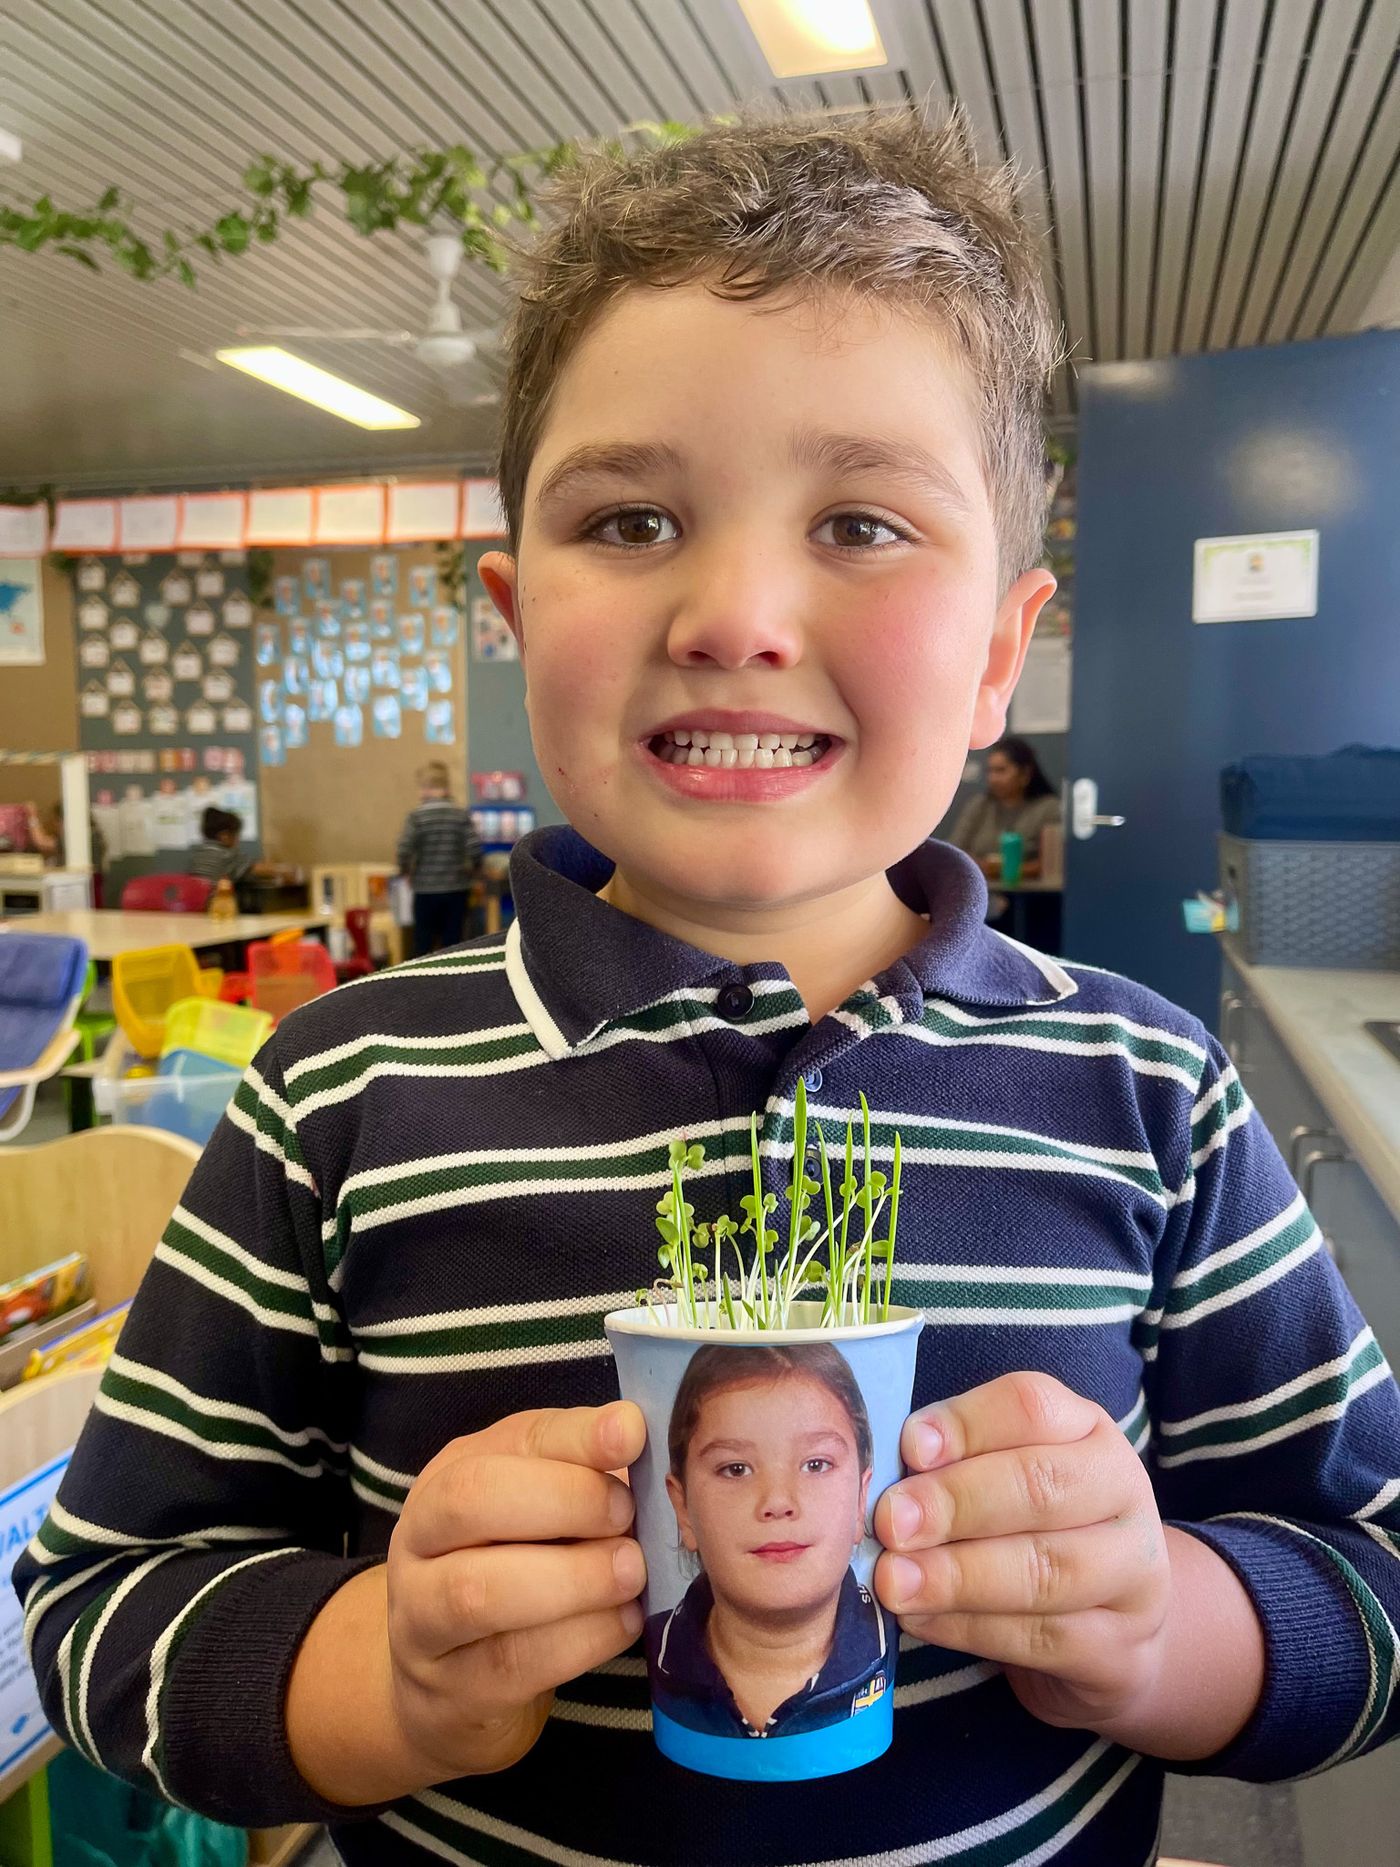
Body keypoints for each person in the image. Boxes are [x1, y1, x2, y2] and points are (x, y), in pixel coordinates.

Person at [18, 109, 1399, 1867]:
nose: (735, 612)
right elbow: (100, 1606)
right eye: (635, 516)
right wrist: (385, 1670)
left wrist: (1165, 1626)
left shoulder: (1152, 1088)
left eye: (863, 521)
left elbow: (1371, 1569)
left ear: (1000, 650)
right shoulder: (336, 1097)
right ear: (516, 615)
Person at [647, 1345, 888, 1741]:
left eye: (816, 1464)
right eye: (735, 1469)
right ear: (683, 1509)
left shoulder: (904, 1629)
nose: (777, 1502)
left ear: (861, 1499)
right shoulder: (656, 1646)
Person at [394, 760, 482, 954]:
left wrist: (404, 871)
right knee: (454, 942)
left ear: (425, 789)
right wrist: (475, 870)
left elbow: (404, 849)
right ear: (446, 787)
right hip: (457, 888)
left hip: (425, 889)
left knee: (423, 941)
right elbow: (474, 848)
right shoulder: (460, 815)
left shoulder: (417, 816)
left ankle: (423, 973)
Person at [948, 735, 1062, 881]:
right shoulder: (980, 805)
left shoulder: (1048, 808)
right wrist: (980, 866)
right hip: (982, 885)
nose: (993, 778)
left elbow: (1052, 862)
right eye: (990, 771)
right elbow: (955, 849)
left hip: (1031, 891)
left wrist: (1008, 870)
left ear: (1025, 774)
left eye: (1001, 771)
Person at [188, 806, 255, 890]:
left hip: (194, 897)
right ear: (224, 836)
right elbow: (256, 869)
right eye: (236, 835)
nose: (238, 840)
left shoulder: (198, 853)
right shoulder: (226, 854)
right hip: (215, 897)